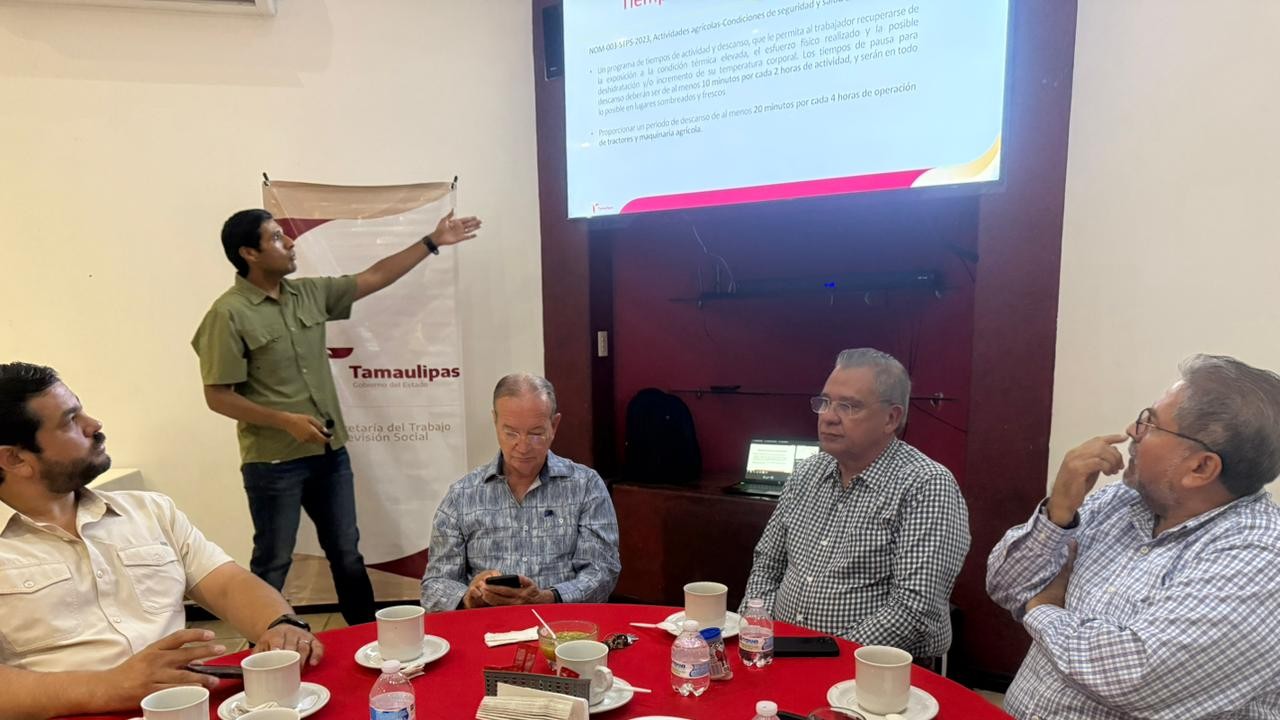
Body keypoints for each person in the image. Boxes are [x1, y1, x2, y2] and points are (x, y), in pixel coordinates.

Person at [192, 207, 481, 624]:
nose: (290, 243)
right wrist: (285, 420)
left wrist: (432, 241)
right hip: (272, 463)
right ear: (249, 253)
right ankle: (263, 648)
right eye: (276, 238)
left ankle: (367, 640)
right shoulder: (228, 314)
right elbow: (218, 397)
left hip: (329, 455)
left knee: (346, 553)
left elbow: (374, 277)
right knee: (273, 561)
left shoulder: (307, 294)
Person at [0, 362, 324, 719]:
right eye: (70, 421)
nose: (94, 425)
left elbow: (226, 584)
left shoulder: (149, 511)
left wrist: (280, 624)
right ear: (14, 458)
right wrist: (106, 687)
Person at [987, 354, 1280, 719]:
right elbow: (1003, 585)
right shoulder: (1120, 500)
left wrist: (1042, 608)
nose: (1131, 431)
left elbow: (1133, 675)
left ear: (1201, 467)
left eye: (1150, 424)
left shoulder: (1260, 556)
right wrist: (1058, 513)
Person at [741, 348, 970, 660]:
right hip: (780, 654)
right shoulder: (807, 472)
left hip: (875, 670)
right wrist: (759, 633)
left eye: (849, 406)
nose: (829, 416)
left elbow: (914, 610)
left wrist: (828, 658)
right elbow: (767, 565)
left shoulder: (926, 485)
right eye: (825, 402)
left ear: (891, 418)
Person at [421, 374, 620, 612]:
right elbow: (434, 586)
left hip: (563, 626)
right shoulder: (462, 495)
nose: (523, 446)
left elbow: (603, 571)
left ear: (554, 425)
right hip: (487, 625)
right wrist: (468, 598)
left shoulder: (586, 486)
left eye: (535, 433)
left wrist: (548, 598)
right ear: (495, 422)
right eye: (511, 433)